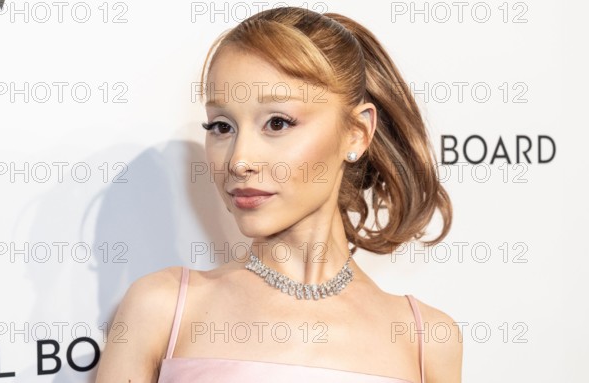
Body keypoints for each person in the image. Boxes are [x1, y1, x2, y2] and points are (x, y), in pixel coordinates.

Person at [95, 6, 462, 383]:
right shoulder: (163, 308)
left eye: (277, 123)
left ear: (356, 133)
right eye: (221, 126)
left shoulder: (426, 340)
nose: (239, 161)